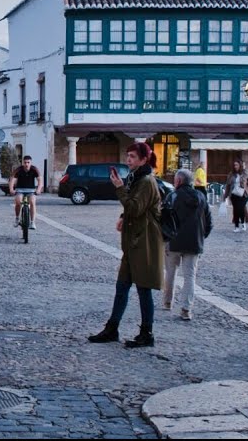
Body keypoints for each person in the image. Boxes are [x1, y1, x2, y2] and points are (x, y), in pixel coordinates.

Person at [89, 142, 164, 348]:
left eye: (132, 156)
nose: (128, 160)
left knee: (143, 288)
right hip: (133, 242)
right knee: (122, 286)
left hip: (144, 242)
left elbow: (136, 207)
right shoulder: (136, 177)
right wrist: (124, 215)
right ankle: (112, 328)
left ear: (143, 159)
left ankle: (147, 333)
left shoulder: (147, 181)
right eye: (128, 156)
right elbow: (132, 206)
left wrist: (119, 188)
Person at [161, 169, 212, 321]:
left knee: (170, 273)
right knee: (190, 276)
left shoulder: (172, 196)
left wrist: (165, 238)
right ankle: (186, 309)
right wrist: (202, 236)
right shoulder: (201, 197)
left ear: (178, 181)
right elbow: (209, 221)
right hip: (194, 242)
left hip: (173, 241)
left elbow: (163, 219)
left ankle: (167, 302)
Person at [8, 156, 41, 229]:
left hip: (31, 190)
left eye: (28, 162)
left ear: (30, 163)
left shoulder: (34, 169)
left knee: (32, 202)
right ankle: (17, 218)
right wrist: (11, 189)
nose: (26, 164)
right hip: (20, 189)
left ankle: (32, 222)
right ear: (23, 163)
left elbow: (40, 180)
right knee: (18, 201)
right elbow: (12, 180)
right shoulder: (18, 170)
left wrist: (38, 189)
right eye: (25, 162)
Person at [224, 160, 248, 232]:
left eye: (237, 165)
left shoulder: (245, 174)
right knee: (236, 210)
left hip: (243, 194)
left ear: (240, 166)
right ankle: (236, 226)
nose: (235, 167)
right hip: (234, 194)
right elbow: (228, 185)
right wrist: (225, 196)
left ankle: (243, 222)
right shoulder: (231, 174)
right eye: (234, 165)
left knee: (240, 208)